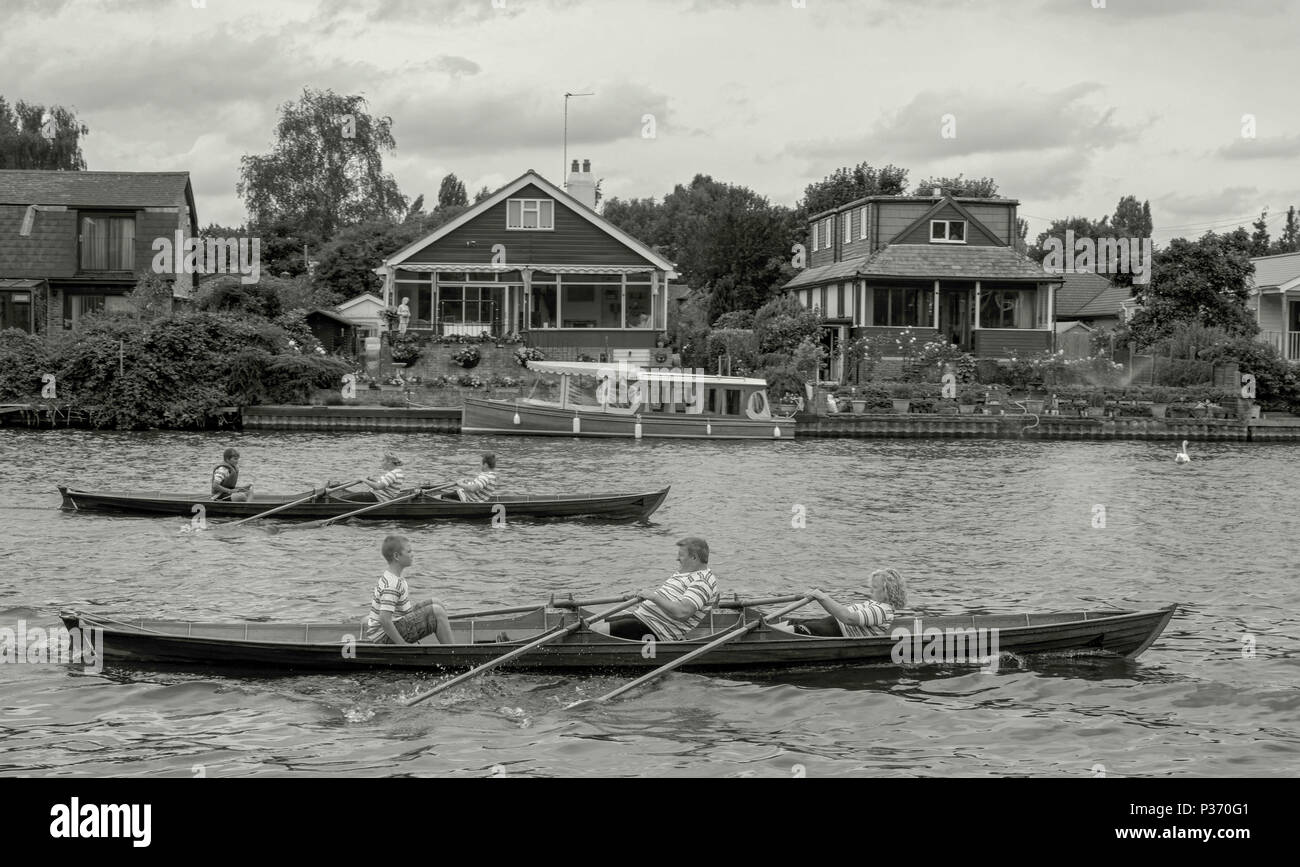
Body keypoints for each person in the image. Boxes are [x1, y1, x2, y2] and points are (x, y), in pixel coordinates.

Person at [598, 538, 719, 642]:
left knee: (595, 632)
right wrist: (642, 596)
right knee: (594, 626)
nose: (677, 558)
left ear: (694, 557)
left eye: (681, 555)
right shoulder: (685, 573)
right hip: (643, 618)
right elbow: (668, 599)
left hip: (657, 630)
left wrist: (653, 597)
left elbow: (682, 613)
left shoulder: (703, 581)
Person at [362, 535, 453, 646]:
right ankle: (454, 657)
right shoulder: (392, 584)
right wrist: (402, 644)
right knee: (437, 612)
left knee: (436, 602)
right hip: (384, 637)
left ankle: (448, 643)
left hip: (395, 623)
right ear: (396, 556)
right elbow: (385, 620)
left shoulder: (395, 577)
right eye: (409, 551)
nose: (412, 554)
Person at [776, 569, 907, 638]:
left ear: (887, 592)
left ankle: (763, 638)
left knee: (799, 630)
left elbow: (847, 618)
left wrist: (822, 597)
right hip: (831, 625)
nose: (871, 590)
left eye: (875, 587)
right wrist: (822, 597)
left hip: (837, 632)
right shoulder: (876, 604)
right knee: (794, 622)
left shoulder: (883, 611)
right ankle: (764, 633)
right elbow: (840, 612)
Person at [338, 453, 407, 502]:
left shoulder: (392, 474)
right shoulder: (397, 472)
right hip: (381, 497)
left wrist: (364, 480)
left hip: (380, 498)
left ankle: (335, 504)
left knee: (349, 497)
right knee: (355, 496)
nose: (381, 463)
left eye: (383, 460)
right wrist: (372, 480)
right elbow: (385, 486)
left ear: (389, 462)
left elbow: (378, 487)